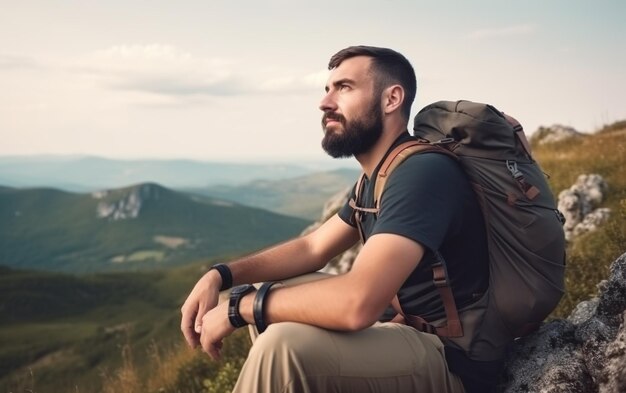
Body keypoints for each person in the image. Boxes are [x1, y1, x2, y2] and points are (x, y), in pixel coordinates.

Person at [181, 45, 498, 393]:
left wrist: (238, 309)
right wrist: (222, 275)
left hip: (455, 362)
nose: (325, 102)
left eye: (344, 88)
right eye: (327, 89)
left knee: (283, 347)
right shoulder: (379, 176)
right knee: (271, 291)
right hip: (409, 333)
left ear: (391, 99)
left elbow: (358, 303)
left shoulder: (422, 173)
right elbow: (313, 247)